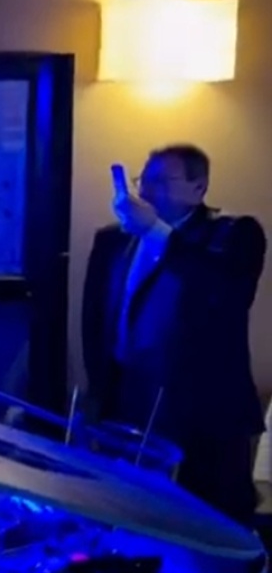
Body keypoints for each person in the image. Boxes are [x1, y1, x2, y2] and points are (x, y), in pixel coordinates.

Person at [82, 144, 266, 527]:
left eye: (161, 181)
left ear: (199, 188)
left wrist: (157, 233)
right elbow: (95, 322)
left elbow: (222, 293)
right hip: (126, 408)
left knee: (207, 529)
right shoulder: (113, 240)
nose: (147, 191)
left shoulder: (233, 236)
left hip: (204, 420)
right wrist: (98, 395)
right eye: (143, 180)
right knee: (128, 525)